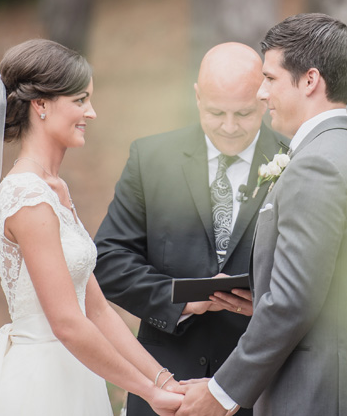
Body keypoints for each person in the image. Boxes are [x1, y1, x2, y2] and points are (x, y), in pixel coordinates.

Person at [0, 39, 183, 416]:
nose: (91, 113)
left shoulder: (54, 189)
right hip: (41, 387)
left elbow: (97, 310)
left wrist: (164, 381)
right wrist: (148, 393)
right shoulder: (27, 196)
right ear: (40, 105)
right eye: (80, 100)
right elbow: (67, 322)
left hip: (77, 373)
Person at [177, 14, 347, 416]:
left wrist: (222, 392)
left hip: (316, 396)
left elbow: (293, 303)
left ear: (310, 80)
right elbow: (332, 284)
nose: (261, 94)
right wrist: (261, 297)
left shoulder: (318, 166)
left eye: (271, 79)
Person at [94, 42, 286, 416]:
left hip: (259, 391)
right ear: (197, 97)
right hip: (168, 386)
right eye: (216, 112)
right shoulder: (151, 159)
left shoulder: (296, 162)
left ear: (264, 99)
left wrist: (263, 301)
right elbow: (108, 261)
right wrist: (178, 299)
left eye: (244, 113)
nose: (229, 127)